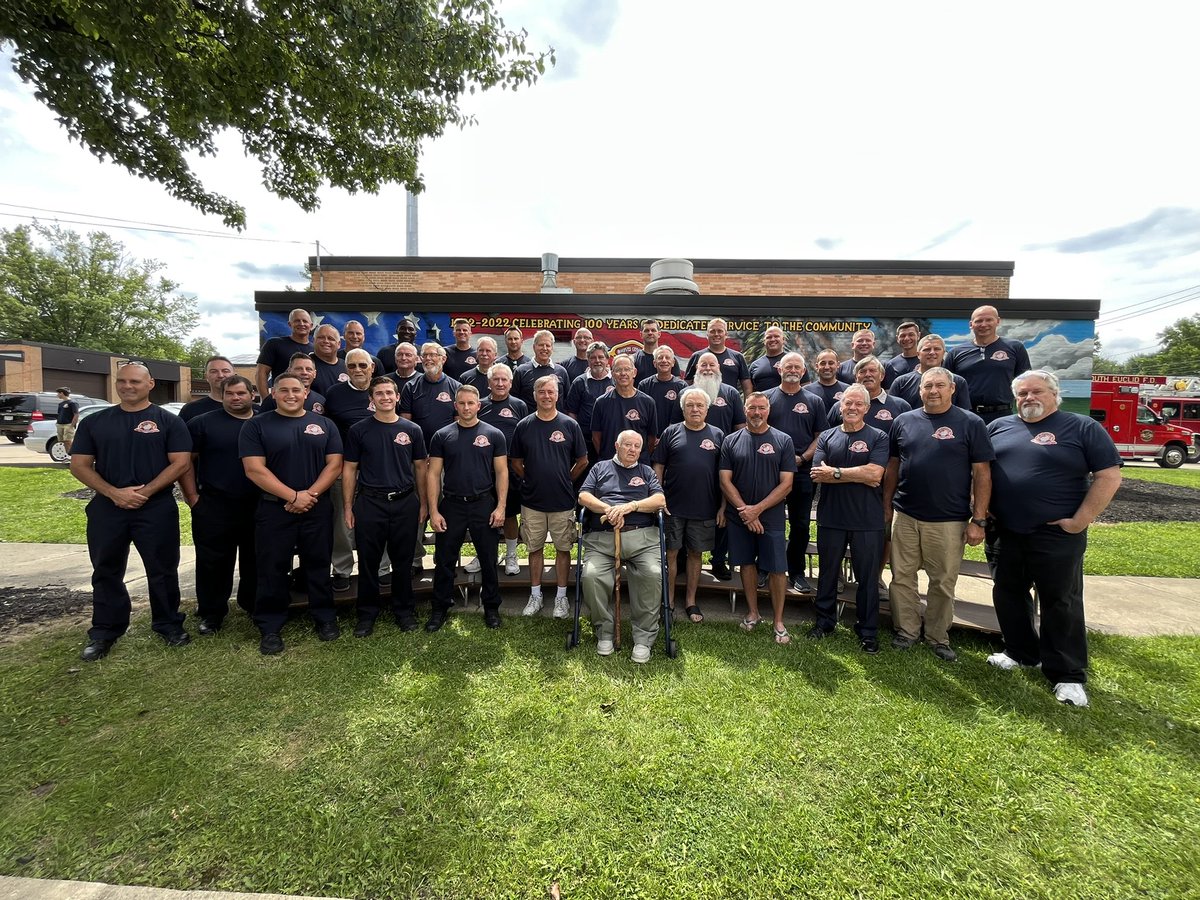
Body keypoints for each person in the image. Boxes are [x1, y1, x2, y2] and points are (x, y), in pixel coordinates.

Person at [986, 370, 1121, 707]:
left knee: (1060, 601)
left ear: (1054, 394)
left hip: (1056, 533)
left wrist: (1080, 520)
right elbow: (982, 470)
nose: (1029, 398)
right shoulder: (999, 427)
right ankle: (1020, 652)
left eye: (1037, 392)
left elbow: (1108, 476)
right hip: (1006, 531)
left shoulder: (1082, 427)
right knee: (1008, 593)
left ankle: (1067, 674)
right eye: (1022, 393)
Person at [70, 363, 192, 661]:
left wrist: (144, 493)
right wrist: (114, 493)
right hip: (107, 507)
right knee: (106, 569)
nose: (127, 386)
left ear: (150, 384)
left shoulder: (168, 421)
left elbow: (180, 463)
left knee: (162, 569)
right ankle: (104, 630)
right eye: (122, 381)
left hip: (156, 507)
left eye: (135, 381)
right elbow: (79, 465)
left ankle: (168, 624)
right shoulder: (95, 422)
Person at [883, 367, 993, 661]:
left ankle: (937, 636)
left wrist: (978, 519)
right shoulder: (903, 421)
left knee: (942, 581)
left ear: (952, 389)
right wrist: (887, 505)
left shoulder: (970, 423)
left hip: (948, 518)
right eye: (928, 386)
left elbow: (982, 473)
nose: (933, 391)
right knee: (901, 576)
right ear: (920, 390)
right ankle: (906, 631)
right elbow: (893, 466)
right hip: (906, 514)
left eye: (940, 385)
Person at [240, 372, 344, 654]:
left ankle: (325, 617)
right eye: (283, 390)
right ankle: (270, 625)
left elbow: (334, 465)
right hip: (274, 508)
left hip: (316, 506)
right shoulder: (256, 425)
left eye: (296, 390)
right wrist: (293, 496)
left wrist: (309, 495)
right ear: (273, 393)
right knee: (272, 567)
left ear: (306, 393)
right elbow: (254, 469)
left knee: (318, 564)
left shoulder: (324, 424)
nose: (290, 395)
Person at [342, 376, 428, 635]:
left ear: (397, 397)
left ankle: (404, 611)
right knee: (368, 562)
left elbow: (420, 468)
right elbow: (350, 469)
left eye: (389, 393)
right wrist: (348, 506)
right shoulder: (359, 430)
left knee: (403, 561)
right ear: (371, 400)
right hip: (370, 503)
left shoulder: (412, 430)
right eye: (379, 393)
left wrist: (423, 503)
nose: (385, 397)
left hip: (404, 502)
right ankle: (367, 614)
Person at [809, 384, 889, 652]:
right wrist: (858, 474)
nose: (852, 408)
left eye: (858, 404)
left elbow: (875, 474)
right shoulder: (827, 436)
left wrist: (836, 473)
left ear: (867, 408)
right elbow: (817, 473)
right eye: (848, 403)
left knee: (867, 578)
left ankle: (867, 631)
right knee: (828, 574)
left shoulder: (878, 436)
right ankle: (824, 623)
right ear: (840, 406)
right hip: (831, 518)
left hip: (867, 520)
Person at [578, 430, 668, 663]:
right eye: (628, 445)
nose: (632, 449)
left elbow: (659, 500)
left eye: (637, 446)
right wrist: (609, 510)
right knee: (591, 575)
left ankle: (643, 638)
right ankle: (605, 632)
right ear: (616, 446)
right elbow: (583, 496)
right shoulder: (600, 468)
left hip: (643, 540)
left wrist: (630, 507)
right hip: (603, 540)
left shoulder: (646, 471)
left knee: (653, 574)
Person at [426, 384, 509, 631]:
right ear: (455, 405)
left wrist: (501, 507)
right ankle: (440, 608)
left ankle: (491, 607)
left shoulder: (494, 434)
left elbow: (502, 472)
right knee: (444, 559)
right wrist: (433, 511)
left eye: (470, 403)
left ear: (478, 406)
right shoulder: (442, 435)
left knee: (488, 559)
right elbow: (433, 474)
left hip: (483, 503)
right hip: (452, 504)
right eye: (461, 403)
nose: (466, 407)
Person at [180, 374, 258, 633]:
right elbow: (185, 462)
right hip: (215, 504)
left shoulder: (264, 421)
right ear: (221, 396)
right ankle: (212, 613)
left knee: (255, 559)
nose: (235, 398)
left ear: (252, 395)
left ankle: (253, 605)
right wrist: (192, 497)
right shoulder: (202, 423)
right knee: (213, 562)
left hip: (258, 504)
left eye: (241, 393)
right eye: (229, 394)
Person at [719, 392, 796, 644]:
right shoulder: (731, 441)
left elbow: (787, 484)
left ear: (768, 410)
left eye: (761, 408)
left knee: (777, 568)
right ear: (745, 410)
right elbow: (725, 480)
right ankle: (753, 612)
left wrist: (757, 510)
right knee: (746, 564)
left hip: (771, 517)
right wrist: (745, 510)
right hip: (739, 516)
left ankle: (778, 621)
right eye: (752, 408)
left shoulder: (783, 440)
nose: (756, 413)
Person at [511, 375, 589, 618]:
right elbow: (515, 462)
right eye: (542, 391)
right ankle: (535, 595)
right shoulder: (524, 425)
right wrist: (531, 479)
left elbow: (582, 460)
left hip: (562, 501)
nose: (546, 396)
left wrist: (565, 479)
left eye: (551, 392)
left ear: (557, 395)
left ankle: (561, 597)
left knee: (563, 549)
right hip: (532, 501)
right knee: (534, 548)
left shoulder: (570, 425)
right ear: (534, 395)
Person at [652, 388, 725, 623]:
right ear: (683, 409)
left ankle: (691, 601)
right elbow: (658, 466)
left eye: (699, 405)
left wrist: (723, 507)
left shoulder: (718, 435)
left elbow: (725, 475)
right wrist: (659, 497)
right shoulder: (671, 432)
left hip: (705, 507)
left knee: (695, 554)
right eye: (690, 405)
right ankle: (669, 602)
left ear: (707, 409)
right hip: (673, 507)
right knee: (671, 553)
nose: (695, 409)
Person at [763, 352, 827, 594]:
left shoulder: (814, 401)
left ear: (803, 371)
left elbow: (820, 437)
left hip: (802, 471)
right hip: (770, 472)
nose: (792, 370)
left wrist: (803, 458)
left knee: (800, 524)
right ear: (779, 370)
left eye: (796, 367)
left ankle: (796, 572)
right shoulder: (767, 398)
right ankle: (765, 567)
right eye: (788, 366)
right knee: (769, 522)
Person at [323, 348, 384, 591]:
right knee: (343, 520)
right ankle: (342, 569)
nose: (357, 370)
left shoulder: (382, 390)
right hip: (346, 467)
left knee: (380, 520)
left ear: (372, 367)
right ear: (345, 368)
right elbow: (328, 431)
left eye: (362, 365)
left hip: (379, 468)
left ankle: (382, 567)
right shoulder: (334, 394)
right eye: (352, 366)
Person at [479, 363, 528, 576]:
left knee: (508, 514)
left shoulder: (519, 405)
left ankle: (511, 555)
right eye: (495, 379)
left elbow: (525, 437)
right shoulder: (479, 405)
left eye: (504, 380)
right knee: (482, 515)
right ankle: (484, 556)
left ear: (510, 383)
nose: (500, 383)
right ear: (488, 382)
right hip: (482, 468)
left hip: (510, 469)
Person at [946, 305, 1032, 424]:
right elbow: (946, 385)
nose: (984, 324)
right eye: (979, 321)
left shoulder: (1015, 348)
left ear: (998, 321)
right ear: (971, 324)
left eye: (989, 320)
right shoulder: (956, 352)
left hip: (1002, 415)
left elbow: (1026, 382)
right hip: (966, 416)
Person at [591, 355, 657, 464]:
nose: (623, 373)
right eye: (618, 370)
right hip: (609, 464)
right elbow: (596, 437)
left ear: (634, 372)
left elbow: (651, 439)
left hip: (639, 465)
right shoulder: (601, 402)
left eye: (627, 369)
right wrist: (607, 459)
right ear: (612, 373)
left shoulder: (648, 402)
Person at [889, 334, 972, 411]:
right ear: (918, 354)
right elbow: (892, 411)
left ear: (943, 353)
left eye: (937, 349)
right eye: (927, 349)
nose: (932, 352)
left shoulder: (958, 382)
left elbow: (964, 415)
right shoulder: (901, 382)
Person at [566, 341, 613, 466]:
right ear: (588, 360)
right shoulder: (579, 382)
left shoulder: (616, 380)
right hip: (585, 441)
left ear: (607, 359)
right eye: (593, 358)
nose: (597, 361)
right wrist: (577, 436)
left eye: (601, 357)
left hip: (610, 439)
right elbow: (572, 412)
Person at [684, 318, 751, 397]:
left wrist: (747, 403)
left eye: (720, 331)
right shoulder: (697, 356)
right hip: (701, 403)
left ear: (726, 334)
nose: (716, 334)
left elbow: (747, 387)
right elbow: (687, 384)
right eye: (712, 331)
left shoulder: (737, 357)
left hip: (729, 403)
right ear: (707, 335)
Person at [256, 307, 313, 399]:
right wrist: (266, 399)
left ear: (311, 325)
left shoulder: (316, 349)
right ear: (290, 324)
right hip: (282, 399)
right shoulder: (274, 344)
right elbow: (261, 373)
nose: (301, 324)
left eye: (305, 321)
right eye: (297, 321)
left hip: (309, 400)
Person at [514, 329, 569, 410]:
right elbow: (514, 401)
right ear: (534, 347)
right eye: (541, 345)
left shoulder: (562, 371)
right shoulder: (521, 371)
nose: (544, 348)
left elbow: (567, 401)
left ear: (552, 348)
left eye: (548, 345)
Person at [637, 345, 688, 432]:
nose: (664, 360)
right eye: (660, 358)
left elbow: (684, 414)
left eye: (667, 358)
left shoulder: (682, 386)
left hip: (675, 434)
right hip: (650, 435)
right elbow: (641, 414)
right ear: (654, 363)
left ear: (673, 362)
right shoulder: (644, 385)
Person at [259, 354, 326, 414]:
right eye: (299, 369)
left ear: (315, 374)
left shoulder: (321, 401)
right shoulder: (273, 400)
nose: (304, 372)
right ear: (289, 371)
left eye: (309, 369)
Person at [179, 356, 234, 422]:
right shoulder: (190, 410)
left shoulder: (245, 408)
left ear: (234, 375)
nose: (220, 375)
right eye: (214, 371)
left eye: (225, 371)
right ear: (206, 377)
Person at [310, 324, 349, 395]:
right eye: (321, 337)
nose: (326, 341)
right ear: (314, 340)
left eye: (331, 338)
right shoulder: (305, 365)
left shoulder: (347, 367)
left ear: (339, 344)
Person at [749, 324, 788, 392]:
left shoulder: (793, 361)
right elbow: (749, 390)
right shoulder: (755, 365)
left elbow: (804, 386)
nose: (772, 339)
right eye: (769, 337)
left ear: (783, 340)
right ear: (764, 341)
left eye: (776, 336)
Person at [882, 321, 921, 387]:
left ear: (918, 335)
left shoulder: (926, 361)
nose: (906, 338)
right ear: (897, 338)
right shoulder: (891, 365)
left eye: (911, 335)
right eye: (903, 336)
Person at [54, 387, 79, 455]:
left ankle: (73, 455)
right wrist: (57, 423)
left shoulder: (72, 403)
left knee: (68, 441)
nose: (57, 395)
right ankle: (68, 455)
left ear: (62, 393)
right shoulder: (60, 404)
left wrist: (71, 425)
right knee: (63, 441)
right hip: (60, 424)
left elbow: (76, 414)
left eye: (58, 393)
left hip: (68, 424)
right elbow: (59, 414)